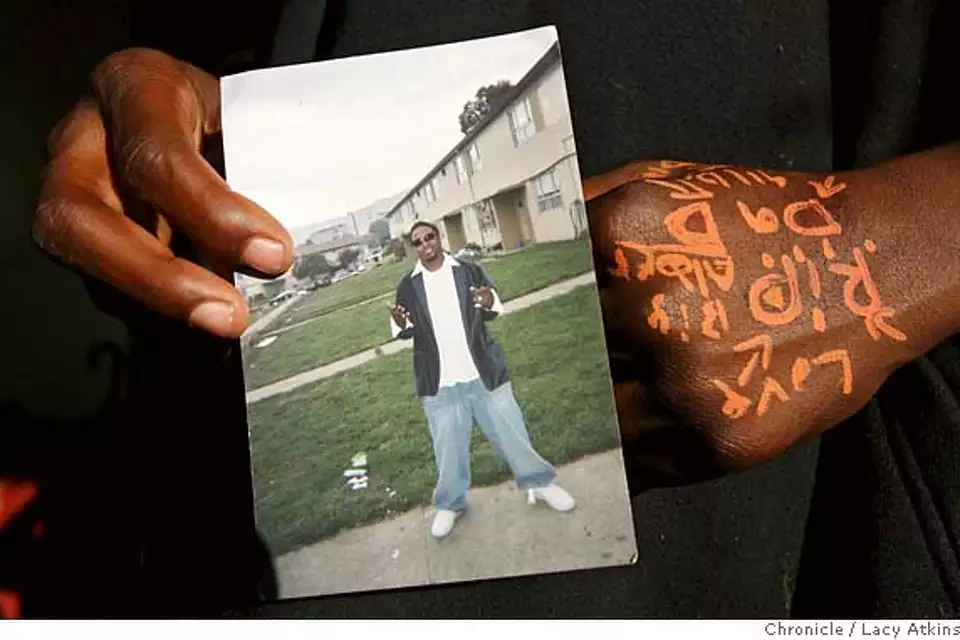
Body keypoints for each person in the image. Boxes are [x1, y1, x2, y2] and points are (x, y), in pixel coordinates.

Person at [10, 0, 960, 618]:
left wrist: (884, 248)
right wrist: (177, 137)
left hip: (778, 514)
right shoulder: (406, 278)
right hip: (256, 553)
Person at [388, 221, 575, 538]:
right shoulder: (408, 285)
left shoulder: (468, 270)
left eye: (429, 236)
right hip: (439, 382)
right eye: (417, 241)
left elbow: (493, 305)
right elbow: (403, 329)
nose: (425, 244)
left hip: (483, 372)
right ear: (414, 248)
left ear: (439, 238)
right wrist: (399, 322)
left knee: (512, 432)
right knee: (448, 449)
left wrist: (489, 302)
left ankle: (539, 484)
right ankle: (451, 504)